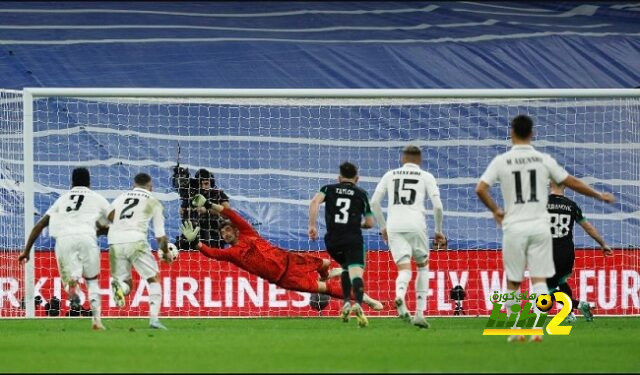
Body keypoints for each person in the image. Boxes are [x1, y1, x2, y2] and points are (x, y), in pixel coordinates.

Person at [475, 114, 615, 342]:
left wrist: (496, 210)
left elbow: (480, 189)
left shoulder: (501, 161)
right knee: (539, 280)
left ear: (511, 132)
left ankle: (515, 330)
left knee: (514, 281)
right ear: (532, 134)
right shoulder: (543, 160)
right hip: (540, 229)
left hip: (515, 227)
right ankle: (536, 330)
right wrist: (599, 195)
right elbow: (573, 182)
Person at [180, 204, 383, 315]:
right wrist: (196, 242)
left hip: (290, 259)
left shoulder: (249, 233)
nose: (225, 234)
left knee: (327, 263)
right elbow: (212, 253)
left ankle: (328, 274)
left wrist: (208, 204)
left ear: (233, 229)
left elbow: (231, 213)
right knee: (326, 290)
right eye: (222, 233)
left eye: (227, 229)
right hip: (285, 278)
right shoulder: (232, 254)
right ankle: (366, 299)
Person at [18, 167, 110, 330]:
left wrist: (26, 250)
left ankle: (72, 287)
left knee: (69, 280)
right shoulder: (98, 198)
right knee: (92, 281)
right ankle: (96, 321)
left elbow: (40, 224)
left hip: (64, 239)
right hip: (87, 237)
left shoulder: (62, 199)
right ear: (89, 182)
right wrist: (100, 231)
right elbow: (113, 222)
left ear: (72, 182)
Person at [370, 145, 446, 329]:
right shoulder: (426, 176)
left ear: (403, 159)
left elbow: (373, 202)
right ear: (419, 160)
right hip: (416, 225)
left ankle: (400, 295)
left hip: (394, 225)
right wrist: (438, 230)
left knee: (404, 269)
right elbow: (438, 207)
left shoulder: (390, 175)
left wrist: (383, 228)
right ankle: (419, 313)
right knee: (422, 267)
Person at [308, 161, 375, 327]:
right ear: (357, 178)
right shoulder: (362, 193)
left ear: (339, 178)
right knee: (356, 273)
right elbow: (369, 222)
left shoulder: (328, 189)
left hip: (332, 241)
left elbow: (314, 202)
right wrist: (359, 224)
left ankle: (346, 302)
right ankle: (357, 304)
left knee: (346, 268)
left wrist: (312, 226)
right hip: (352, 239)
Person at [107, 172, 172, 330]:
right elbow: (160, 236)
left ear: (133, 185)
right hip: (136, 240)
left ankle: (120, 288)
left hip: (114, 241)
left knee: (127, 284)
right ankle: (154, 321)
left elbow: (107, 218)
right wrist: (166, 252)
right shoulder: (153, 201)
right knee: (153, 279)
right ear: (151, 187)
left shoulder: (120, 198)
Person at [547, 180, 613, 323]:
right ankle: (569, 314)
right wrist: (602, 244)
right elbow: (587, 227)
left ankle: (577, 305)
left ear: (549, 184)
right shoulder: (572, 206)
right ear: (565, 185)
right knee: (561, 281)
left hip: (546, 251)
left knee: (546, 291)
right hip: (566, 251)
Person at [173, 168, 231, 250]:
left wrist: (207, 210)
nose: (203, 187)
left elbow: (228, 213)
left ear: (211, 183)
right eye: (201, 184)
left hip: (212, 235)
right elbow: (182, 212)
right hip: (194, 234)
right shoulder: (193, 195)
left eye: (206, 184)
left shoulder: (218, 194)